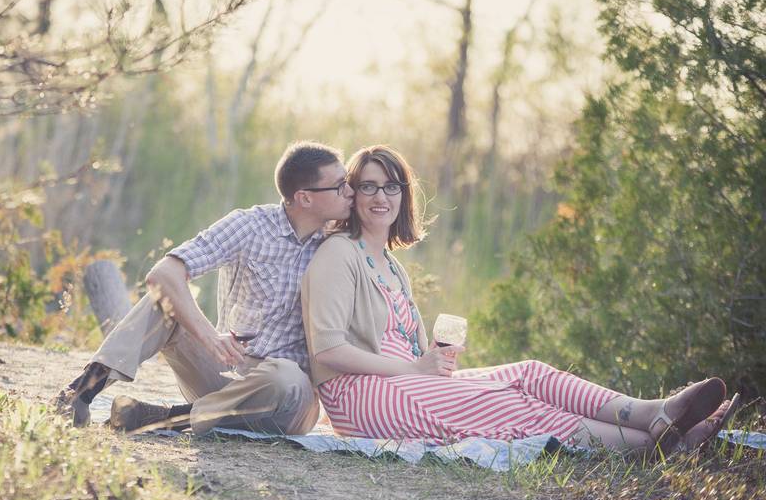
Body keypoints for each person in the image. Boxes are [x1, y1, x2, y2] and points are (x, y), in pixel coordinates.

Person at [301, 145, 736, 455]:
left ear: (404, 195)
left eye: (391, 187)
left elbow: (409, 352)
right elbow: (329, 349)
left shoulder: (392, 264)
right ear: (352, 194)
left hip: (407, 382)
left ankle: (652, 413)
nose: (381, 197)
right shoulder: (339, 252)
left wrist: (429, 361)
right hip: (362, 395)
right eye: (369, 187)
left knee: (529, 374)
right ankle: (655, 445)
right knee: (508, 403)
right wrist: (414, 368)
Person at [55, 141, 354, 435]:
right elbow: (163, 274)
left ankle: (163, 418)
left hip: (289, 399)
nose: (350, 192)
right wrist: (209, 337)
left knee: (285, 376)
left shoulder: (340, 244)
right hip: (228, 372)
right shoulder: (250, 226)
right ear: (305, 198)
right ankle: (79, 394)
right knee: (163, 300)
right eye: (340, 186)